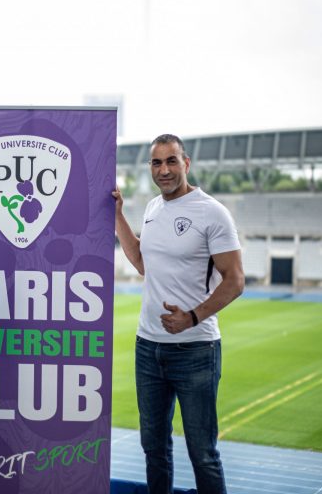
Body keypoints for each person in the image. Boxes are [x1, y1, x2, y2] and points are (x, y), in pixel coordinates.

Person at [112, 134, 244, 494]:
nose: (164, 170)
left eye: (171, 161)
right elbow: (141, 261)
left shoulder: (212, 212)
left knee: (202, 452)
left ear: (186, 164)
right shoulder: (154, 208)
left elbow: (235, 281)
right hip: (148, 349)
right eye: (157, 163)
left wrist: (192, 317)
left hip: (196, 351)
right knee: (154, 448)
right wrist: (118, 216)